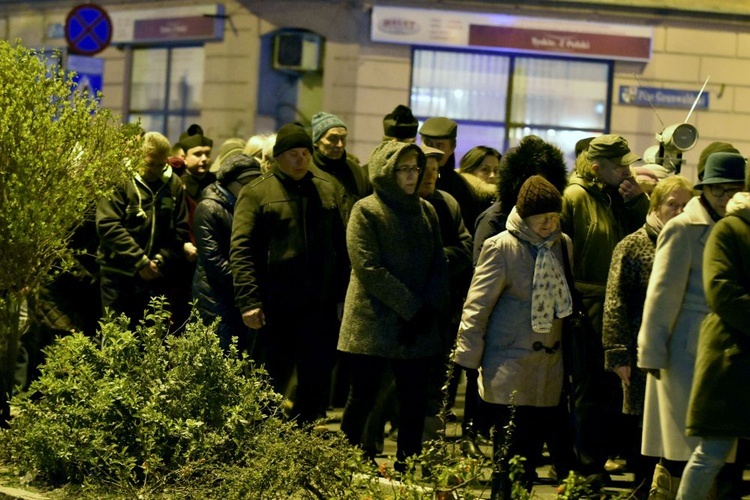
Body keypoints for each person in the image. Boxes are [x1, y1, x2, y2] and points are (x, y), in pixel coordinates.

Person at [454, 175, 576, 498]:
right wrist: (467, 362)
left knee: (530, 460)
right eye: (542, 218)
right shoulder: (501, 248)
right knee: (508, 460)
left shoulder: (562, 245)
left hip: (548, 370)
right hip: (509, 367)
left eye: (554, 217)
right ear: (524, 215)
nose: (550, 224)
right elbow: (476, 308)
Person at [637, 152, 746, 498]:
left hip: (719, 351)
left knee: (711, 446)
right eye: (719, 191)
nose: (726, 198)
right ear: (706, 190)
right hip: (683, 348)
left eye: (734, 190)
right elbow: (662, 294)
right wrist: (652, 352)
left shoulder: (733, 227)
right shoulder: (683, 227)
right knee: (689, 447)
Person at [337, 141, 449, 472]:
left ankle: (408, 462)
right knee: (363, 396)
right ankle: (347, 460)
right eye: (404, 169)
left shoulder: (426, 211)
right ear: (387, 171)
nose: (412, 176)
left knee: (413, 400)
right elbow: (367, 267)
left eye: (416, 168)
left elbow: (438, 262)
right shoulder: (367, 210)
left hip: (416, 323)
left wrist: (429, 305)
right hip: (373, 321)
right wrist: (411, 306)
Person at [230, 123, 348, 425]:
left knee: (314, 379)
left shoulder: (327, 188)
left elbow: (341, 247)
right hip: (275, 304)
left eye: (306, 153)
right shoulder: (257, 193)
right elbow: (241, 250)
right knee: (268, 380)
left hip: (317, 305)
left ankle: (301, 444)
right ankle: (261, 442)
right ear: (278, 157)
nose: (301, 160)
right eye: (293, 154)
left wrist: (339, 297)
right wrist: (249, 300)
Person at [561, 134, 649, 477]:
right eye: (621, 165)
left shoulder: (620, 196)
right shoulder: (575, 197)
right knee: (588, 392)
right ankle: (587, 471)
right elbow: (563, 256)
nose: (629, 170)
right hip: (587, 305)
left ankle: (608, 457)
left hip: (618, 305)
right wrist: (572, 307)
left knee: (614, 389)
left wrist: (638, 202)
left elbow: (642, 238)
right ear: (598, 168)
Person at [602, 175, 693, 494]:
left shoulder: (692, 243)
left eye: (685, 205)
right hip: (641, 352)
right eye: (672, 204)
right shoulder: (633, 244)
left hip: (680, 352)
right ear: (655, 206)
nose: (679, 211)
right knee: (643, 429)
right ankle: (644, 487)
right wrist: (617, 354)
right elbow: (615, 303)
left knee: (673, 428)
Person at [677, 155, 749, 500]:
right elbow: (722, 291)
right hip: (732, 357)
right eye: (718, 190)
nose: (723, 196)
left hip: (736, 355)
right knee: (713, 452)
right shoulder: (729, 230)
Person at [96, 132, 189, 327]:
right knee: (116, 339)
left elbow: (180, 230)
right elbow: (108, 225)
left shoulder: (174, 185)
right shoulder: (120, 180)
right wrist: (140, 261)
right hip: (118, 276)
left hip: (156, 276)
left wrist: (159, 261)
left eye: (160, 165)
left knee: (151, 343)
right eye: (149, 163)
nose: (153, 170)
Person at [417, 145, 474, 448]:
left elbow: (465, 247)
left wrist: (437, 259)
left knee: (437, 382)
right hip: (404, 308)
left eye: (435, 171)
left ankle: (428, 447)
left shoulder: (446, 202)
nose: (431, 177)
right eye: (424, 170)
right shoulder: (401, 204)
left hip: (441, 305)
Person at [192, 153, 261, 354]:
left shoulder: (243, 206)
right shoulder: (209, 207)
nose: (252, 189)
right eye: (246, 183)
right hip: (215, 296)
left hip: (238, 294)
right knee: (221, 352)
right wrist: (245, 281)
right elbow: (213, 260)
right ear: (230, 182)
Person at [473, 135, 569, 264]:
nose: (539, 187)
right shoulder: (493, 219)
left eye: (544, 181)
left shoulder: (553, 219)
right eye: (532, 181)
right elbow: (482, 271)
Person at [420, 117, 483, 233]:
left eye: (439, 145)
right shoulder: (409, 180)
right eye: (428, 143)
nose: (433, 150)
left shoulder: (461, 189)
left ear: (452, 147)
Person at [311, 111, 371, 221]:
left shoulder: (356, 172)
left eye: (343, 138)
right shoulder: (306, 171)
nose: (339, 145)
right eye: (332, 138)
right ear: (316, 141)